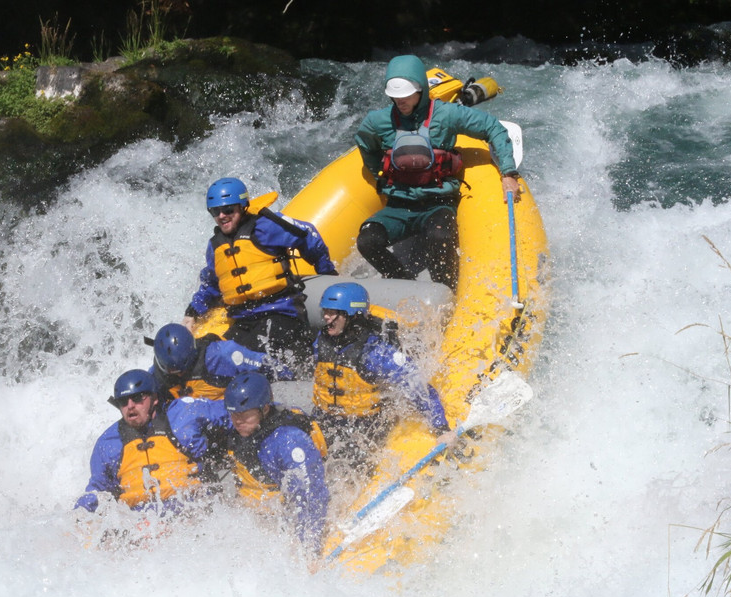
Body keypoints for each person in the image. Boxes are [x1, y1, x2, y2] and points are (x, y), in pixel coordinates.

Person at [354, 55, 521, 289]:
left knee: (439, 237)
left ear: (420, 90)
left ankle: (447, 291)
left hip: (438, 204)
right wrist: (379, 178)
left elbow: (492, 127)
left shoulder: (447, 114)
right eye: (395, 95)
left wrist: (508, 173)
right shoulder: (377, 121)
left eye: (406, 95)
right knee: (367, 241)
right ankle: (403, 283)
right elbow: (366, 147)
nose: (399, 100)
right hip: (398, 207)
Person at [182, 177, 338, 371]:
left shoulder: (265, 226)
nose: (222, 216)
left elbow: (308, 236)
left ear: (242, 207)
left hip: (281, 313)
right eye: (215, 211)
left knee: (247, 356)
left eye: (228, 210)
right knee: (208, 356)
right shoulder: (215, 246)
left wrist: (327, 273)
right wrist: (192, 312)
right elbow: (213, 284)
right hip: (244, 321)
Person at [312, 282, 452, 467]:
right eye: (325, 312)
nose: (326, 318)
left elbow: (416, 384)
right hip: (324, 420)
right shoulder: (321, 342)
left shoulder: (374, 352)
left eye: (332, 313)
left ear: (351, 315)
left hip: (361, 427)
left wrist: (441, 427)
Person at [75, 369, 231, 515]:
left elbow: (234, 411)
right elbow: (99, 491)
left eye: (137, 398)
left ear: (155, 398)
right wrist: (80, 513)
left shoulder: (182, 414)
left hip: (191, 509)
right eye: (123, 401)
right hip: (141, 522)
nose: (130, 406)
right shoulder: (108, 442)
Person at [223, 371, 330, 554]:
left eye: (244, 415)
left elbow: (312, 494)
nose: (238, 422)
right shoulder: (247, 428)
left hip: (286, 521)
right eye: (234, 415)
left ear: (264, 409)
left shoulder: (288, 441)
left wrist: (310, 549)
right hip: (257, 519)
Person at [150, 322, 292, 402]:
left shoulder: (222, 355)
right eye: (172, 371)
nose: (179, 375)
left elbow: (269, 366)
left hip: (235, 412)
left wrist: (289, 376)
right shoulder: (158, 374)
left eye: (182, 370)